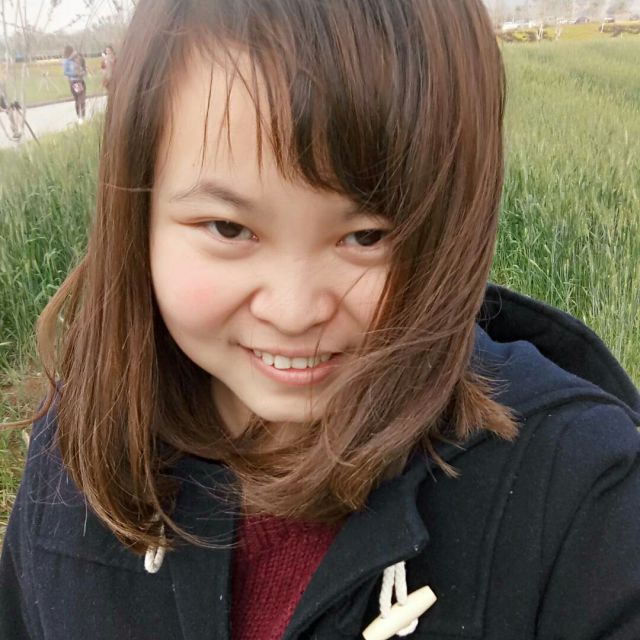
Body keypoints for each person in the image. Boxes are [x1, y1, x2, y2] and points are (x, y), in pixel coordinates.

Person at [1, 1, 639, 638]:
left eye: (367, 236)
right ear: (135, 214)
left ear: (459, 225)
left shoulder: (581, 497)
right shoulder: (78, 447)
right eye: (229, 228)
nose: (295, 310)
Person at [62, 44, 87, 123]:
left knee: (80, 99)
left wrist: (83, 72)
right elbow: (66, 72)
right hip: (76, 81)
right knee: (80, 99)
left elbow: (83, 66)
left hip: (79, 80)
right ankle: (81, 116)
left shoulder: (77, 58)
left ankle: (81, 116)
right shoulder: (67, 61)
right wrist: (76, 73)